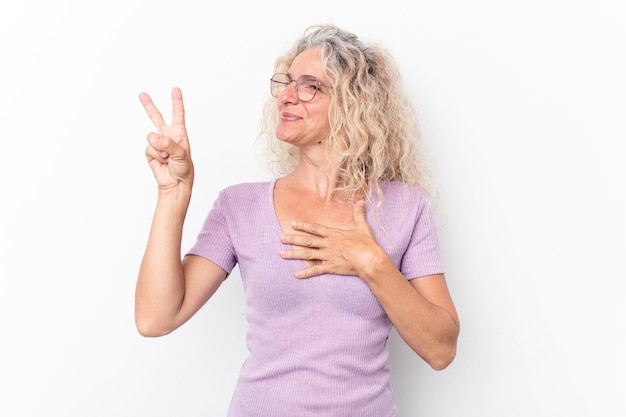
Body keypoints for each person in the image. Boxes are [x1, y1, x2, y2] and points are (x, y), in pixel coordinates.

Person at [135, 24, 459, 417]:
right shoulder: (239, 206)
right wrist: (173, 194)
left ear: (354, 103)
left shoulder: (406, 206)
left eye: (309, 86)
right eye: (286, 83)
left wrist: (370, 262)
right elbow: (155, 318)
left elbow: (441, 349)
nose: (286, 96)